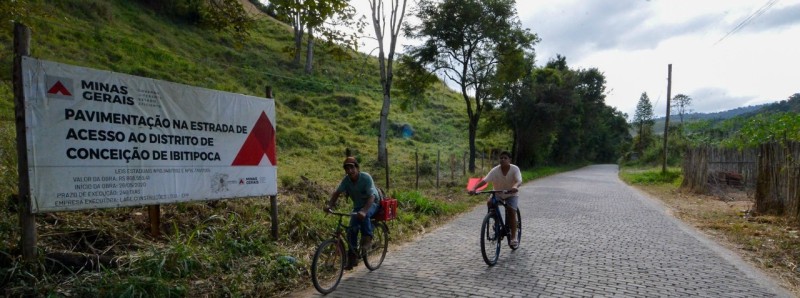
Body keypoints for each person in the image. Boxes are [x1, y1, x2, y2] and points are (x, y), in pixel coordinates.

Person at [325, 156, 380, 270]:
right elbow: (337, 193)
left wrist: (364, 211)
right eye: (347, 168)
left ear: (357, 168)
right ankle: (352, 258)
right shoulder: (346, 180)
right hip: (358, 206)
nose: (350, 171)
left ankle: (367, 239)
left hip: (373, 203)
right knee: (351, 230)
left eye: (352, 168)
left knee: (364, 216)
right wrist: (329, 205)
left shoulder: (366, 177)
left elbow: (372, 196)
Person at [468, 151, 522, 248]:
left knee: (511, 211)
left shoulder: (515, 169)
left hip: (511, 193)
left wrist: (515, 186)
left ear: (510, 160)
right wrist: (474, 188)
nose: (503, 160)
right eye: (501, 158)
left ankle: (513, 238)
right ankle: (495, 220)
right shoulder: (495, 170)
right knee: (490, 202)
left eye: (505, 158)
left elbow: (519, 180)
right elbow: (485, 180)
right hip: (498, 193)